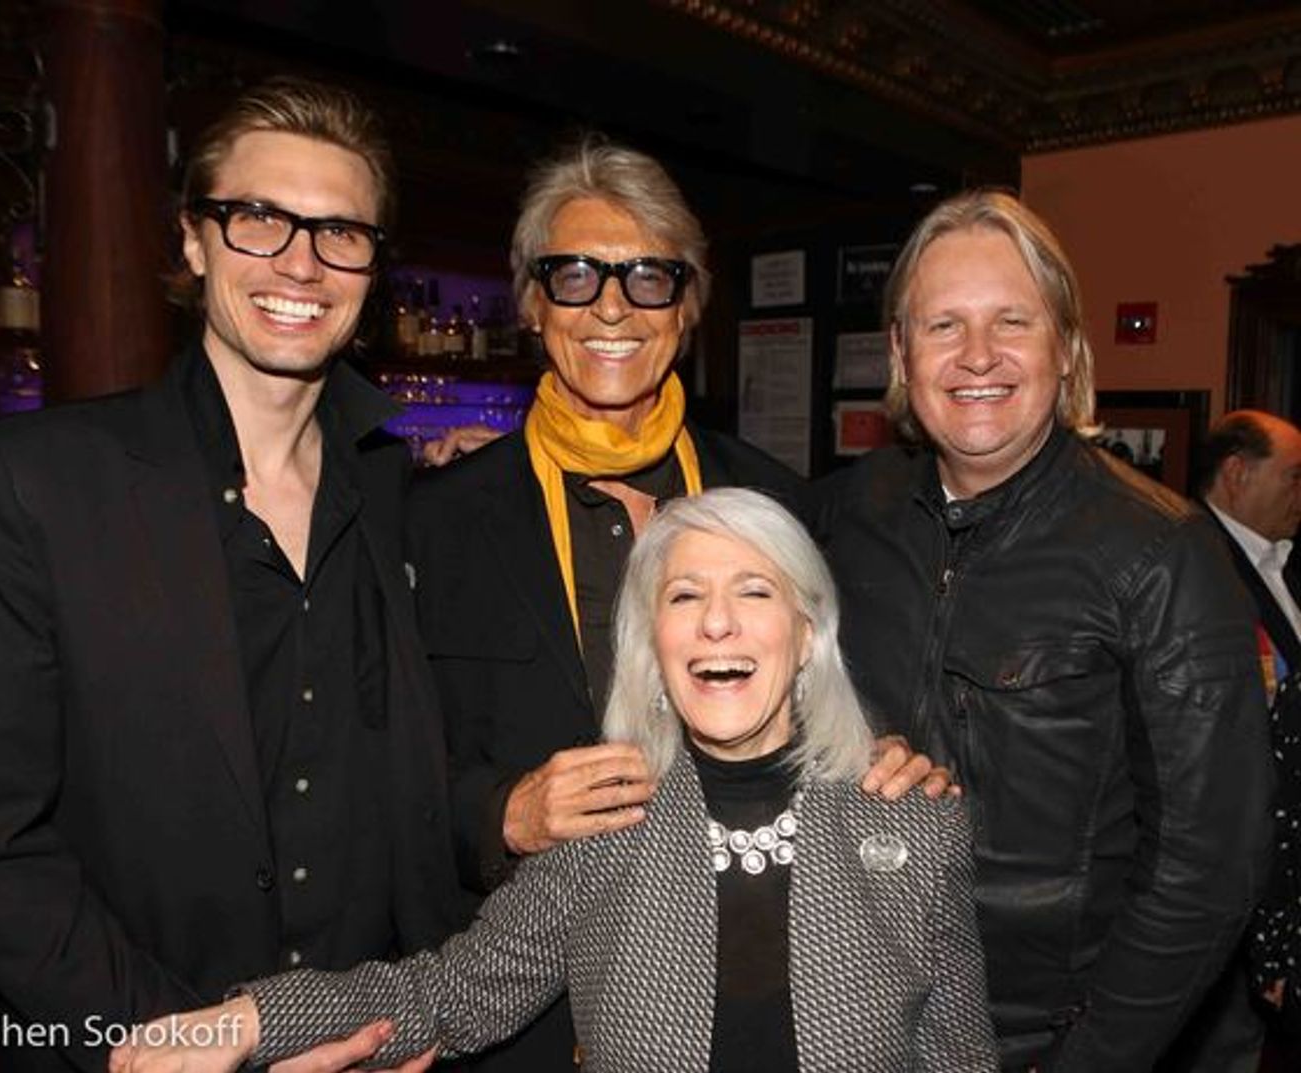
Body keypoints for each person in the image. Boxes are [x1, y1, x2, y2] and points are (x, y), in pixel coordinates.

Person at [0, 77, 461, 1073]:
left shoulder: (393, 490)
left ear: (372, 270)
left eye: (340, 232)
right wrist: (205, 1043)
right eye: (258, 218)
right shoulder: (28, 483)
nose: (301, 260)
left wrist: (410, 1009)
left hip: (373, 1044)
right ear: (193, 240)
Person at [110, 487, 998, 1073]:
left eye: (755, 592)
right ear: (652, 646)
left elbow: (960, 1059)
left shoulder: (916, 832)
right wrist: (246, 1022)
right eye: (685, 597)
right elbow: (443, 994)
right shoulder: (606, 832)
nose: (719, 622)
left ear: (806, 634)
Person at [405, 139, 947, 1070]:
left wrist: (886, 758)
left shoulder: (784, 502)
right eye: (574, 274)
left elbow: (833, 691)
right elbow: (377, 770)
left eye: (648, 277)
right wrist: (497, 812)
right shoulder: (429, 520)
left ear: (689, 307)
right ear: (531, 302)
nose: (611, 306)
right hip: (508, 1017)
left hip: (747, 1000)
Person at [813, 190, 1273, 1072]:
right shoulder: (845, 514)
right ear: (902, 353)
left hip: (1058, 1037)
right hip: (869, 1015)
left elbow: (1209, 871)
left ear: (1065, 347)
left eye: (1011, 321)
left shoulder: (1161, 551)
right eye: (943, 324)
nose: (977, 355)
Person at [1194, 410, 1301, 1067]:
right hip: (1233, 851)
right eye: (1294, 476)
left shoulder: (1287, 560)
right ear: (1237, 473)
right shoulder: (1191, 555)